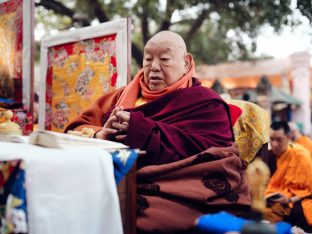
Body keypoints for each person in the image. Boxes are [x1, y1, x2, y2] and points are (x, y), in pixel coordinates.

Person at [65, 31, 251, 233]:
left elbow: (213, 153)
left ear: (187, 63)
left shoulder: (206, 102)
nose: (154, 67)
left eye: (164, 59)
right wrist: (100, 135)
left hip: (173, 187)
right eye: (148, 59)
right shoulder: (121, 97)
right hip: (110, 182)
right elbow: (74, 129)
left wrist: (141, 131)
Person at [264, 121, 312, 231]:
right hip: (272, 198)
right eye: (271, 139)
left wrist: (290, 199)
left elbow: (308, 190)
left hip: (295, 200)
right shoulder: (268, 156)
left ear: (289, 137)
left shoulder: (300, 155)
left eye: (279, 140)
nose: (275, 144)